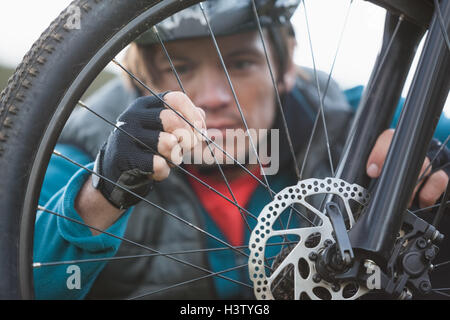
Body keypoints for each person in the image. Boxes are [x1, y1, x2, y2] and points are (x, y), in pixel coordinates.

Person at [34, 0, 449, 300]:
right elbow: (21, 274)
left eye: (241, 64)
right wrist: (98, 196)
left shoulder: (356, 119)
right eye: (180, 67)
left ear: (285, 67)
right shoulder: (75, 150)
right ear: (142, 80)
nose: (215, 96)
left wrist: (437, 171)